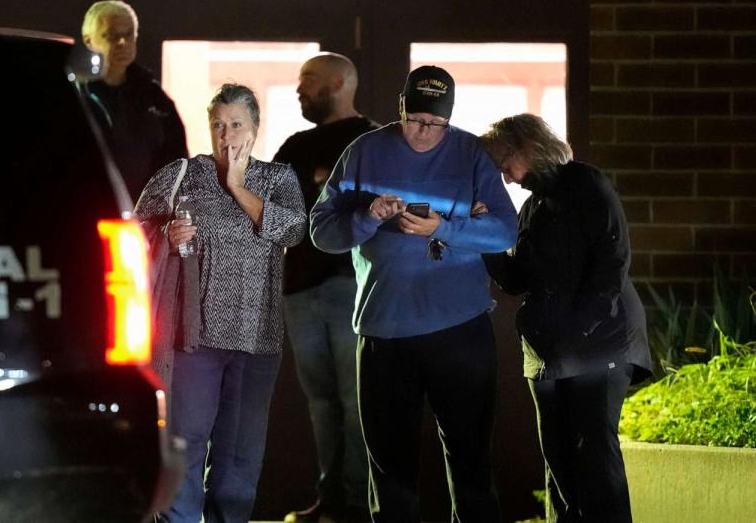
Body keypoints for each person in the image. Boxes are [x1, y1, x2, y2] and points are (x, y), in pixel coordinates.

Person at [310, 65, 517, 522]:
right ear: (400, 108)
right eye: (416, 120)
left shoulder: (470, 154)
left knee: (471, 463)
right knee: (390, 470)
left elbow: (504, 229)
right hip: (385, 330)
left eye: (435, 124)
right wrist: (367, 216)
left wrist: (443, 227)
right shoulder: (364, 152)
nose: (424, 133)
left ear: (450, 119)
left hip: (460, 328)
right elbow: (322, 232)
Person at [134, 84, 306, 523]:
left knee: (238, 459)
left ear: (255, 128)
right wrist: (166, 236)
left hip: (257, 339)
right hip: (193, 337)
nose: (226, 134)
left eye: (236, 125)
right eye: (217, 124)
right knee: (186, 443)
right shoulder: (182, 174)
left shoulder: (277, 178)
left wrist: (236, 184)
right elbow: (136, 232)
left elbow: (293, 232)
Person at [478, 114, 653, 523]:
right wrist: (483, 238)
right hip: (550, 348)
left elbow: (612, 261)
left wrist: (581, 326)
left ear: (527, 146)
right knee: (557, 454)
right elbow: (517, 279)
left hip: (599, 341)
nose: (504, 177)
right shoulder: (533, 207)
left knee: (593, 451)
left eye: (504, 162)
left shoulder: (585, 183)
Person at [273, 53, 379, 523]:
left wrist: (319, 191)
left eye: (309, 80)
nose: (299, 89)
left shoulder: (372, 141)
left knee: (355, 400)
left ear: (338, 83)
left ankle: (355, 501)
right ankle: (331, 497)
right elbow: (272, 207)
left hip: (348, 286)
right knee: (321, 401)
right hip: (298, 288)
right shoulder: (295, 145)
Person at [81, 0, 188, 202]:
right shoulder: (78, 95)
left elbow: (178, 162)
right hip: (88, 210)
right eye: (111, 35)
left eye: (128, 34)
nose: (122, 42)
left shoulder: (155, 98)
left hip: (146, 217)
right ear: (89, 41)